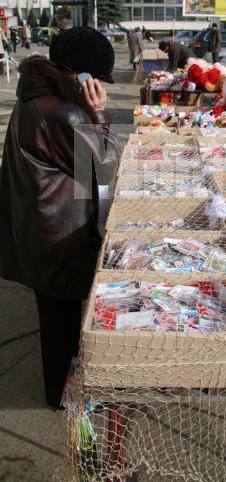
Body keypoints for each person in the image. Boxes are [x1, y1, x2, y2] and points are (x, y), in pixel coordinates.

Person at [0, 27, 120, 409]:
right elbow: (103, 167)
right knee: (64, 326)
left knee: (56, 320)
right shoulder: (66, 113)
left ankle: (62, 391)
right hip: (60, 235)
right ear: (81, 76)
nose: (99, 84)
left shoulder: (34, 97)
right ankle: (64, 398)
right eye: (97, 76)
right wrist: (97, 113)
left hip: (39, 227)